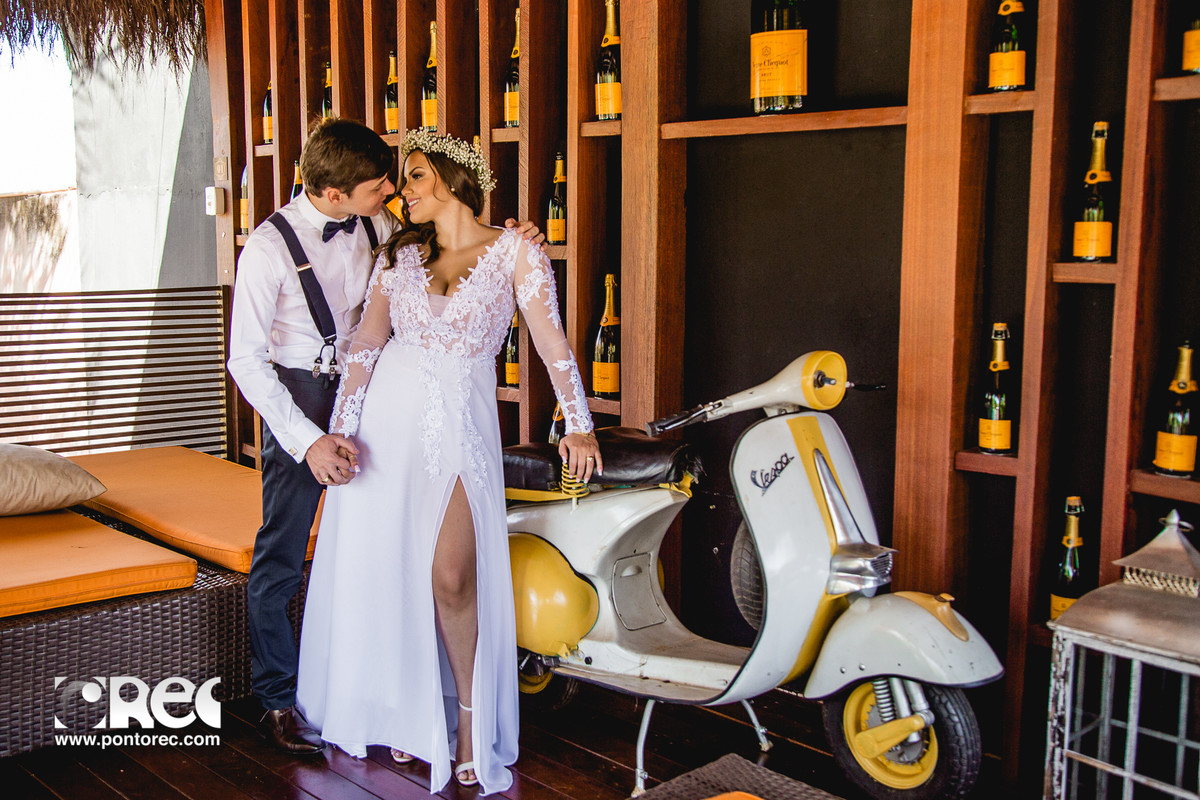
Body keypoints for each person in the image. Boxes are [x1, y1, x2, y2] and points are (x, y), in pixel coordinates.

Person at [296, 129, 602, 793]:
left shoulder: (517, 252)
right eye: (402, 181)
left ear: (454, 178)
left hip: (460, 431)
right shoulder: (397, 256)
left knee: (453, 576)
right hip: (385, 433)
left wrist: (578, 425)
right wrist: (342, 432)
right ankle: (409, 718)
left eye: (414, 177)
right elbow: (367, 345)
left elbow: (553, 347)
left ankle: (467, 720)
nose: (403, 193)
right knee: (395, 575)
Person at [227, 118, 544, 755]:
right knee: (283, 554)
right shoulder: (265, 248)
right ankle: (278, 700)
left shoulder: (381, 228)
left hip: (381, 403)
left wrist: (518, 239)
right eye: (380, 188)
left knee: (378, 556)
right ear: (334, 193)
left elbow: (445, 257)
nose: (393, 195)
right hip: (300, 399)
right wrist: (308, 438)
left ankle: (403, 705)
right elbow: (245, 359)